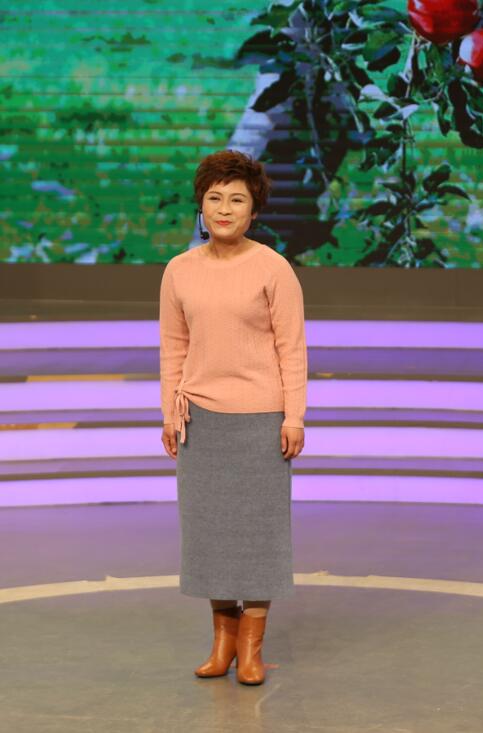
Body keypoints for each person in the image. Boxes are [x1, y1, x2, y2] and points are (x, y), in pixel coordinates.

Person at [159, 149, 307, 685]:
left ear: (254, 210)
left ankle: (251, 648)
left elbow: (292, 348)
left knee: (259, 534)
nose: (224, 209)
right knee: (210, 534)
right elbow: (173, 347)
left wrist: (294, 417)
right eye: (215, 198)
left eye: (237, 200)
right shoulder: (179, 270)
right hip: (200, 420)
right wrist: (169, 413)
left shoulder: (273, 268)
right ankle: (222, 642)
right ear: (201, 205)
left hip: (262, 418)